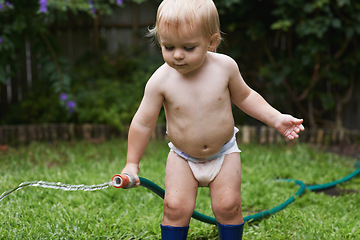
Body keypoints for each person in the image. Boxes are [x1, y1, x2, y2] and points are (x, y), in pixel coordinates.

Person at [120, 0, 305, 239]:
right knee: (175, 208)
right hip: (182, 157)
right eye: (168, 46)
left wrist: (276, 118)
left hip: (223, 153)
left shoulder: (225, 67)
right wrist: (132, 163)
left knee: (228, 206)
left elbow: (246, 97)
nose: (177, 55)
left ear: (211, 41)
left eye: (188, 48)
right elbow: (143, 123)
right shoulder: (160, 80)